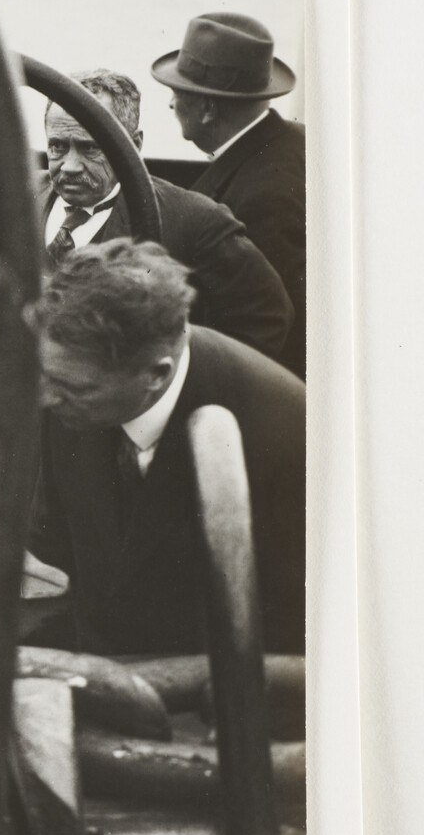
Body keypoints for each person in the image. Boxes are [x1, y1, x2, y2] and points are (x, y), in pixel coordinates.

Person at [29, 238, 304, 658]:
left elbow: (298, 631)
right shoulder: (73, 381)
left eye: (72, 388)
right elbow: (56, 532)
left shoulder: (289, 438)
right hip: (105, 661)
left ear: (156, 375)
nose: (45, 399)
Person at [43, 68, 292, 360]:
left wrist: (177, 387)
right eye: (58, 146)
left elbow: (266, 317)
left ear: (132, 145)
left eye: (90, 148)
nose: (70, 166)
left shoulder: (194, 220)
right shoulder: (16, 195)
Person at [152, 12, 307, 375]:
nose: (171, 105)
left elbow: (273, 330)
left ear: (207, 110)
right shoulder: (297, 143)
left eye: (177, 94)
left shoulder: (261, 200)